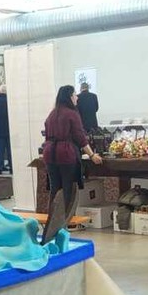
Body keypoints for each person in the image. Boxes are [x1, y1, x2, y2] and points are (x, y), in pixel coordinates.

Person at [41, 84, 103, 244]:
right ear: (69, 96)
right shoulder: (72, 114)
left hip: (49, 154)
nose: (77, 98)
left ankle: (51, 226)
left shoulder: (52, 113)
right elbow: (80, 137)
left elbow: (46, 135)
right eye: (75, 95)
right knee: (67, 191)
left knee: (55, 190)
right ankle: (62, 227)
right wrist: (92, 155)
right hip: (66, 154)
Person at [0, 86, 12, 175]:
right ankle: (12, 167)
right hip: (9, 129)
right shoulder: (10, 101)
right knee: (10, 150)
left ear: (0, 91)